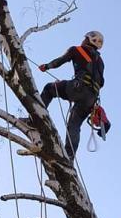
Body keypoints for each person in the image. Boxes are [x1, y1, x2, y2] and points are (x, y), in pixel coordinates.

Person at [37, 30, 108, 158]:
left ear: (89, 40)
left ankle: (35, 119)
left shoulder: (76, 50)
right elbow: (101, 82)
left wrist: (46, 66)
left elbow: (60, 61)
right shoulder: (100, 62)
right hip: (91, 99)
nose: (83, 40)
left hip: (77, 88)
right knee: (74, 126)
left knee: (49, 89)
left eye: (85, 38)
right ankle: (69, 157)